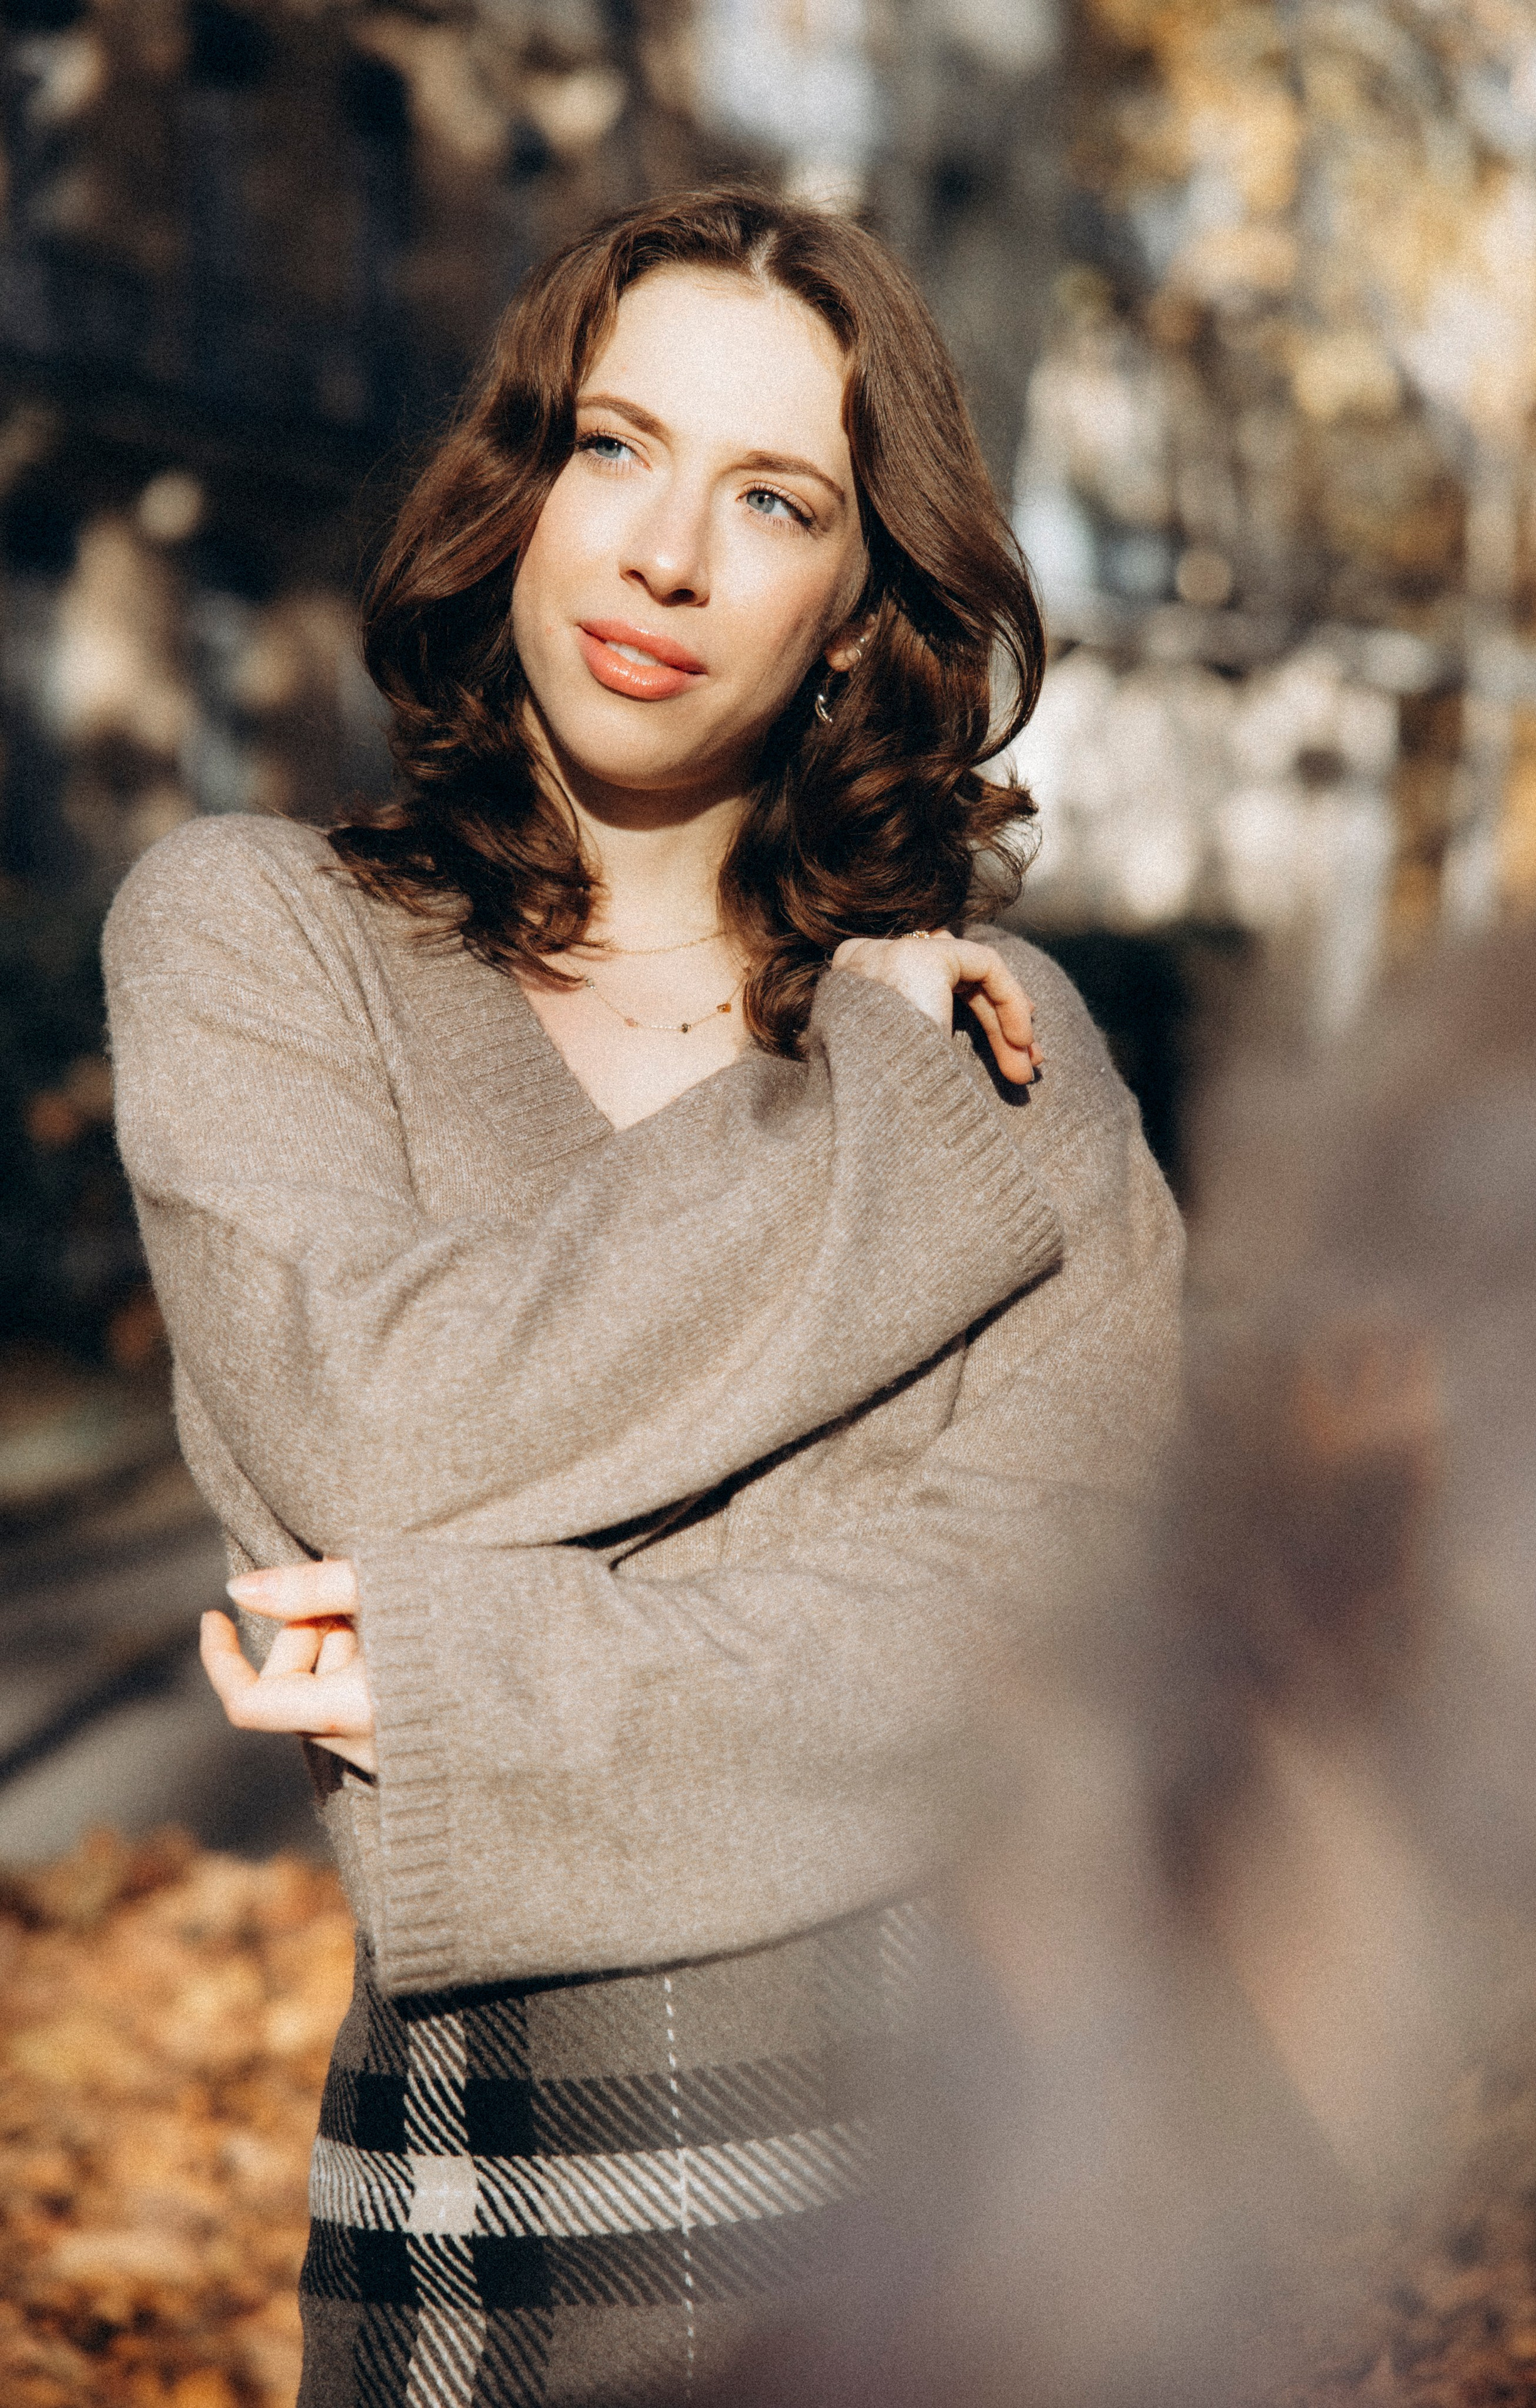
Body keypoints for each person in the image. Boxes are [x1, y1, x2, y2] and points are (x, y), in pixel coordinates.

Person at [104, 187, 1182, 2406]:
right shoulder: (258, 939)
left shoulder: (1001, 1049)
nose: (667, 554)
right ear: (519, 488)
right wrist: (851, 1128)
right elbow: (379, 1423)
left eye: (775, 499)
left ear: (860, 608)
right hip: (505, 2203)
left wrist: (470, 1684)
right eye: (616, 448)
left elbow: (1072, 1639)